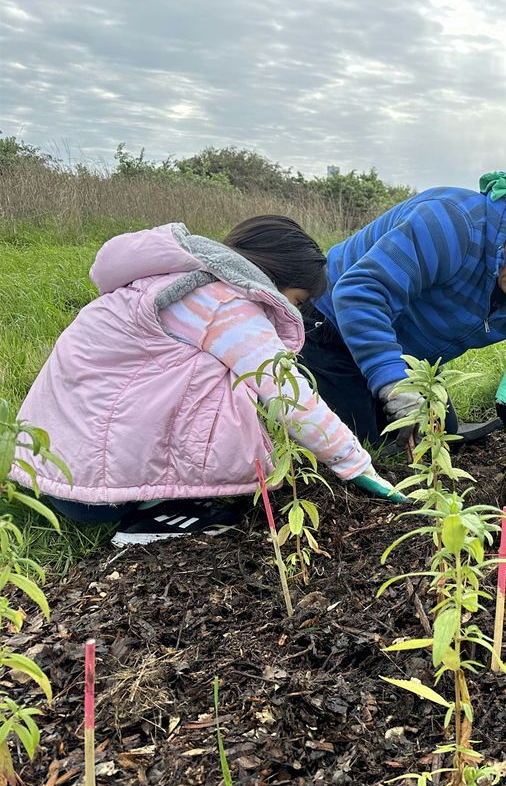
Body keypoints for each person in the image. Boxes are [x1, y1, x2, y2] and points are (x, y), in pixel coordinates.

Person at [10, 218, 400, 546]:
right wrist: (357, 465)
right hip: (96, 492)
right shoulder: (225, 303)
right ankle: (165, 515)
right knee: (232, 385)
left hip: (49, 468)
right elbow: (287, 393)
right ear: (276, 278)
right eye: (298, 300)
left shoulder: (170, 281)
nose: (296, 310)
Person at [301, 172, 506, 455]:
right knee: (363, 442)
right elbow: (359, 293)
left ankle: (379, 384)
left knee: (440, 435)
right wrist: (393, 383)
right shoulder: (453, 223)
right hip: (332, 326)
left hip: (407, 357)